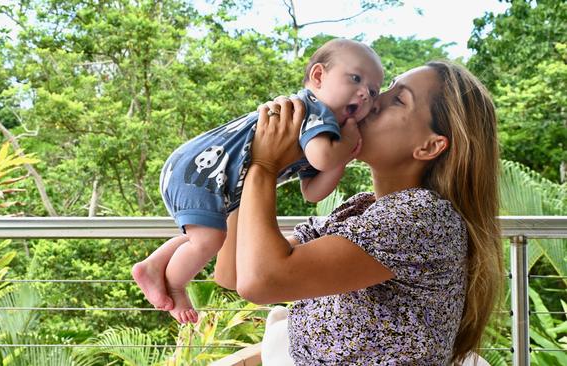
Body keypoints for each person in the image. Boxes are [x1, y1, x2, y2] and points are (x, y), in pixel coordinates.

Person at [214, 61, 504, 364]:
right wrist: (251, 161)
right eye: (387, 88)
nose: (372, 100)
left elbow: (260, 281)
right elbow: (232, 272)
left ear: (430, 146)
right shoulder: (362, 209)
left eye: (398, 100)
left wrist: (265, 165)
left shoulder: (422, 219)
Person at [132, 39, 383, 324]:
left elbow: (313, 192)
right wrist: (347, 143)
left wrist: (342, 158)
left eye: (373, 92)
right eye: (355, 79)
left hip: (196, 171)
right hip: (205, 170)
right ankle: (175, 285)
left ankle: (153, 265)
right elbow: (323, 158)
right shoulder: (314, 110)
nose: (365, 94)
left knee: (205, 235)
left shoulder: (321, 133)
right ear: (318, 76)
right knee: (209, 239)